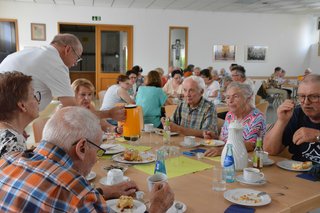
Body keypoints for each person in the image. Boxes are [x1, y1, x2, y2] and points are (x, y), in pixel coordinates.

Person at [0, 106, 174, 212]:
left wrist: (102, 192)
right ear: (82, 148)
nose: (97, 160)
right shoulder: (78, 193)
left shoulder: (7, 160)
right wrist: (157, 208)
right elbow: (71, 195)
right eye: (97, 149)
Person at [0, 33, 124, 121]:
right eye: (77, 57)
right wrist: (109, 113)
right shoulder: (55, 63)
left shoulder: (34, 52)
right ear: (68, 49)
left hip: (9, 118)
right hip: (8, 118)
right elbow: (73, 110)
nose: (75, 63)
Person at [264, 74, 320, 163]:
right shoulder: (296, 113)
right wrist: (281, 121)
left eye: (314, 97)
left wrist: (317, 136)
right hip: (297, 174)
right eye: (302, 96)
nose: (306, 102)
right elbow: (269, 150)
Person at [204, 82, 266, 157]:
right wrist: (215, 137)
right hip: (228, 155)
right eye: (228, 97)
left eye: (236, 96)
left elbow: (251, 145)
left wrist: (222, 150)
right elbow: (225, 139)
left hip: (246, 159)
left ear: (247, 99)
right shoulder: (230, 115)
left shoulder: (256, 117)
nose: (230, 101)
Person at [0, 71, 40, 158]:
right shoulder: (12, 142)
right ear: (22, 105)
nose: (38, 101)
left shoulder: (7, 134)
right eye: (33, 95)